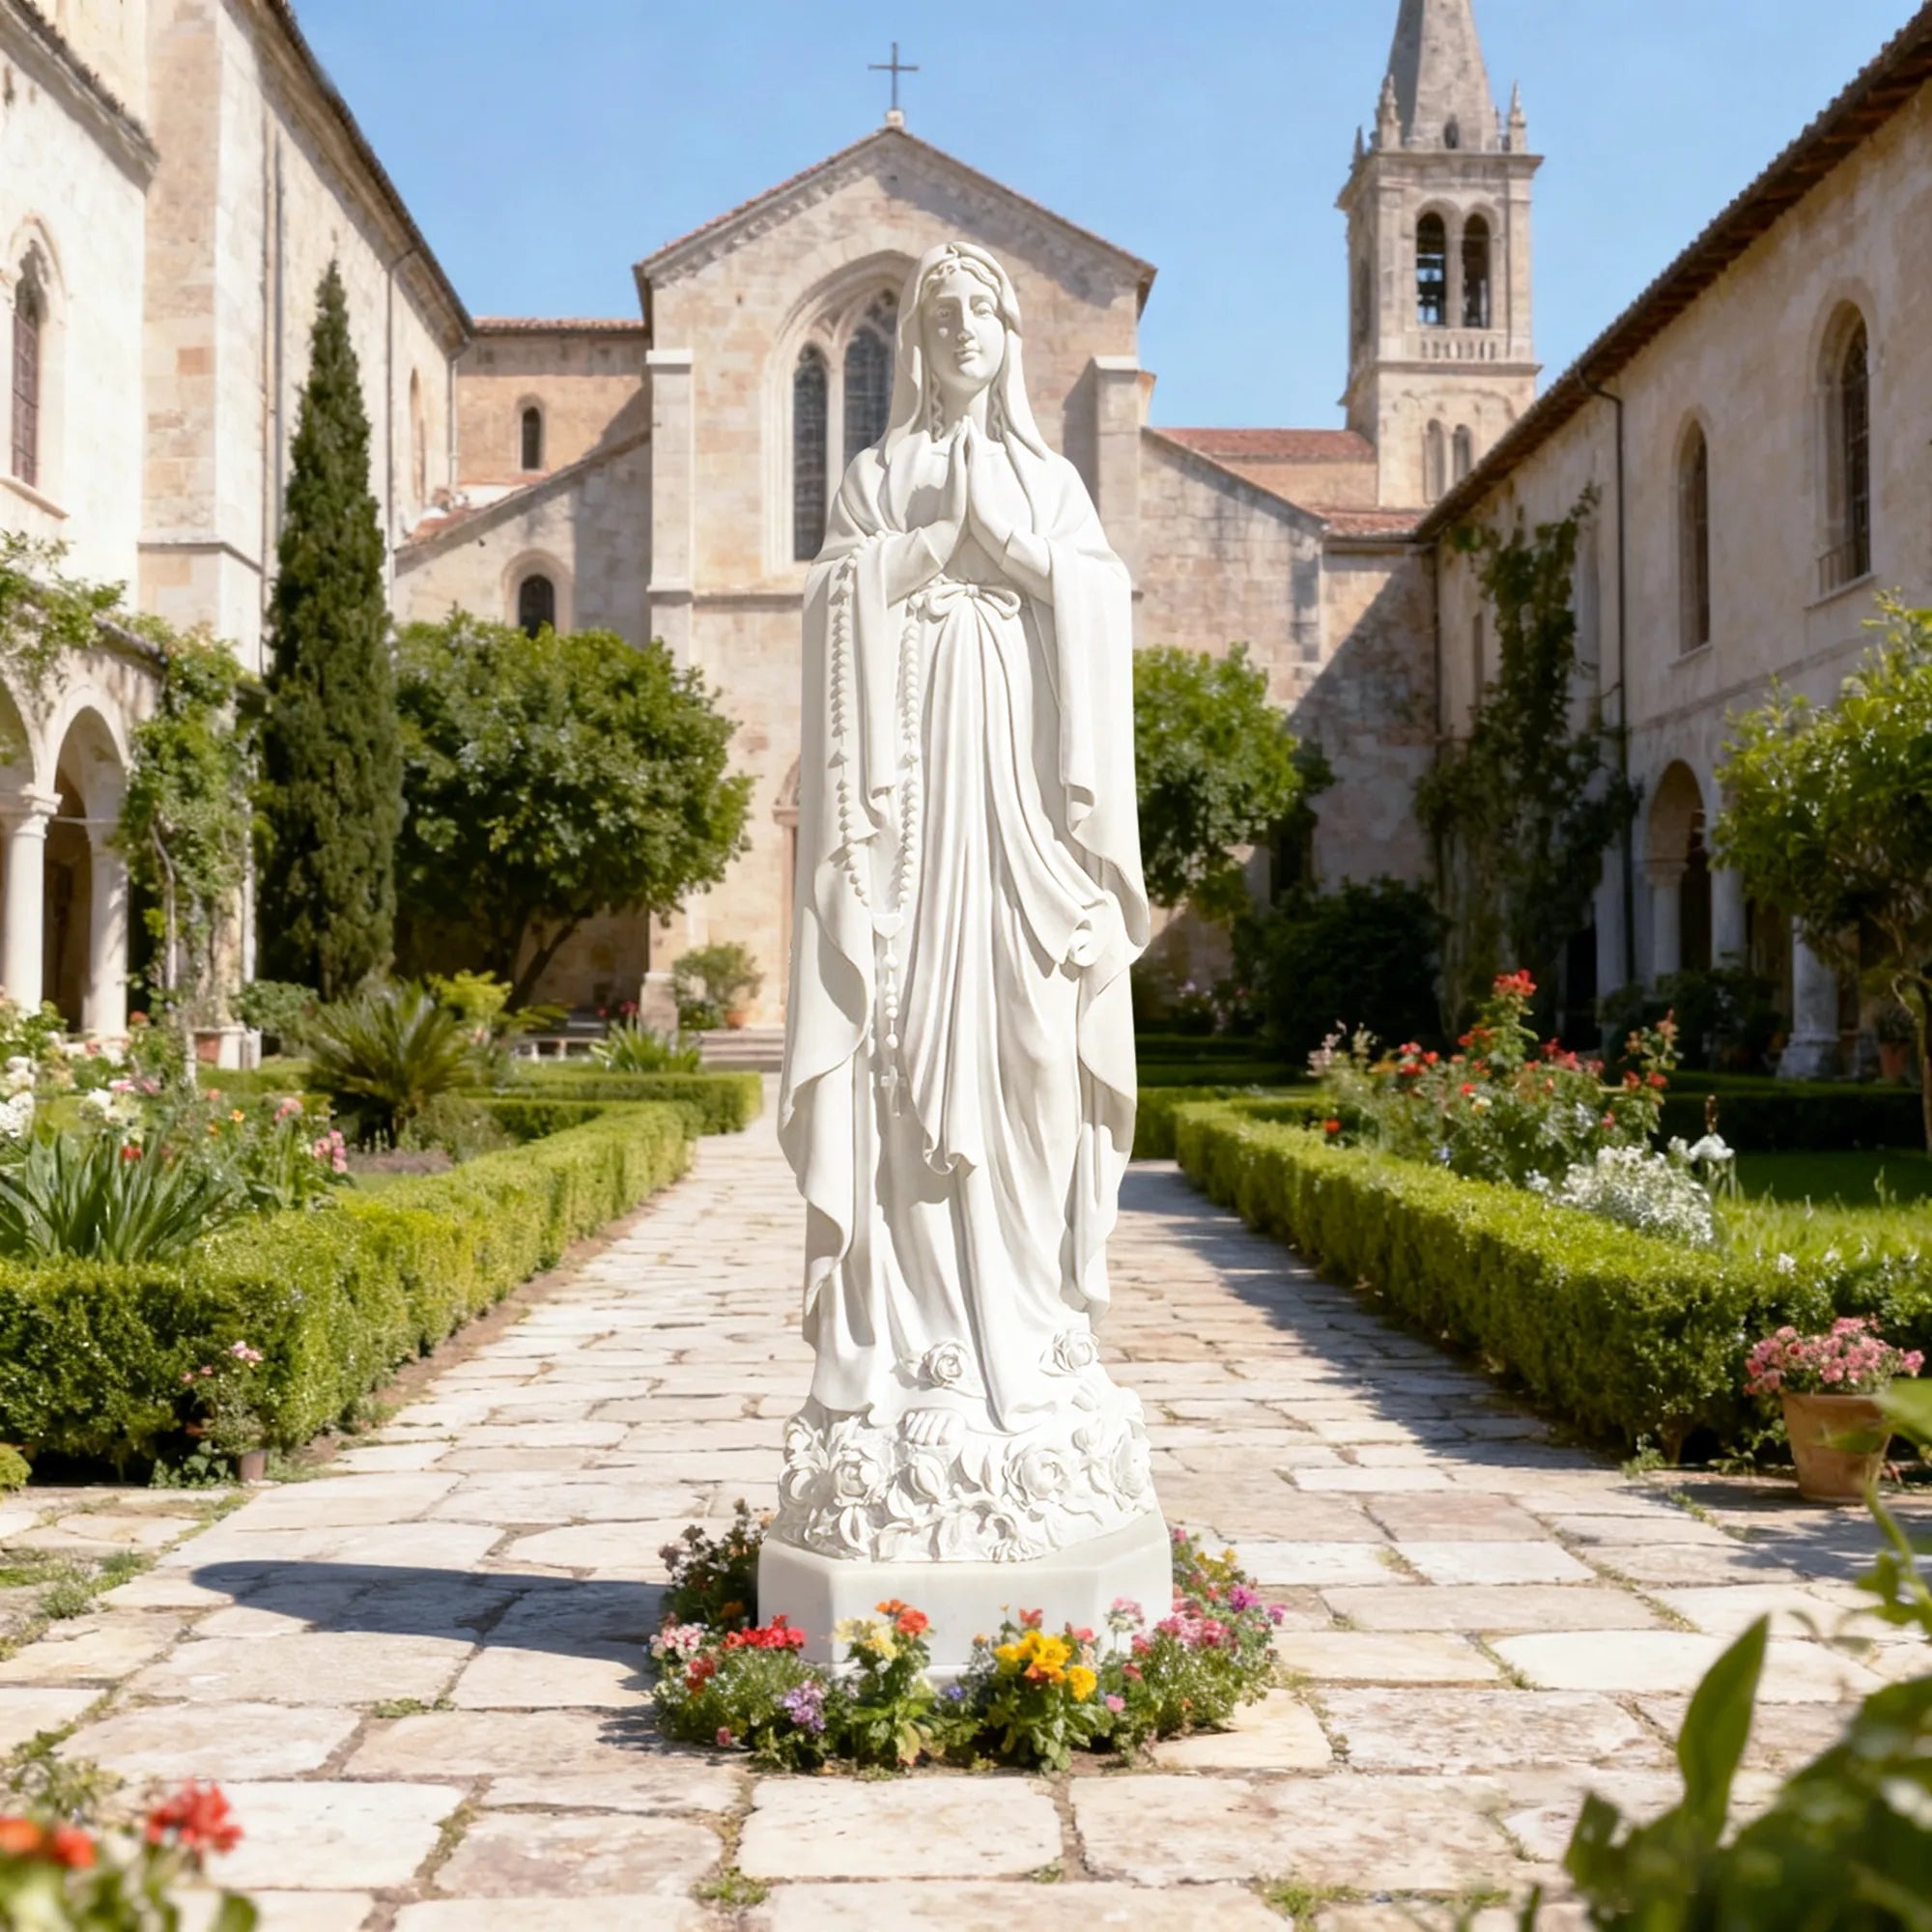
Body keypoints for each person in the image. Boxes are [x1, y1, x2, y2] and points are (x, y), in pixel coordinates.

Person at [775, 241, 1155, 1564]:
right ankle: (924, 1347)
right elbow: (831, 603)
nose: (959, 334)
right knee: (903, 1074)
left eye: (980, 315)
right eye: (939, 317)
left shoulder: (1053, 480)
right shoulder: (876, 478)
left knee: (1037, 1054)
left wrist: (1036, 568)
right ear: (920, 341)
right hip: (914, 815)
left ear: (1009, 338)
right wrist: (918, 556)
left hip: (1029, 816)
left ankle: (1043, 1325)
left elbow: (1108, 601)